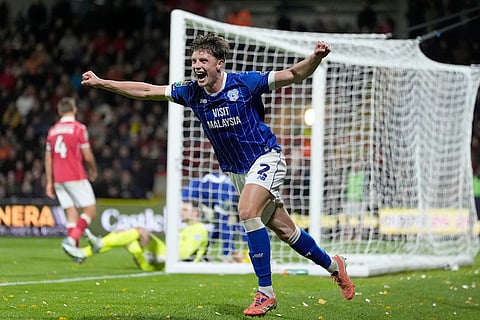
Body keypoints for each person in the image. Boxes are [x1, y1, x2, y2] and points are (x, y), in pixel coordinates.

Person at [81, 33, 354, 317]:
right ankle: (334, 266)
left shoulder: (245, 83)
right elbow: (148, 91)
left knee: (247, 211)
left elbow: (294, 74)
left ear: (219, 63)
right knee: (286, 231)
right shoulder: (191, 92)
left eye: (203, 59)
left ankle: (266, 293)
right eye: (194, 60)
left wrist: (315, 58)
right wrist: (103, 83)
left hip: (265, 157)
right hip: (238, 172)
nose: (197, 64)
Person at [62, 200, 209, 270]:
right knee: (123, 234)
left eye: (184, 210)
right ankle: (84, 252)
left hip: (174, 263)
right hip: (164, 257)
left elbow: (184, 254)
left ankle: (89, 250)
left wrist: (159, 257)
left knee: (138, 231)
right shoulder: (186, 228)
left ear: (195, 213)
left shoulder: (199, 230)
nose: (180, 212)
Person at [45, 97, 98, 262]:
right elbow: (87, 155)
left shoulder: (52, 131)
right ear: (74, 110)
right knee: (90, 211)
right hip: (75, 175)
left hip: (58, 179)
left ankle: (76, 253)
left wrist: (49, 182)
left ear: (59, 112)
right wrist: (93, 170)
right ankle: (71, 240)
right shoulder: (79, 128)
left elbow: (48, 158)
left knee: (71, 214)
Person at [182, 172, 245, 262]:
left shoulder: (232, 191)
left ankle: (203, 251)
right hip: (190, 195)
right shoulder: (227, 192)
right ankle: (228, 254)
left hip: (205, 197)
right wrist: (231, 250)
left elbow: (239, 223)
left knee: (224, 224)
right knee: (225, 223)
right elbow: (225, 224)